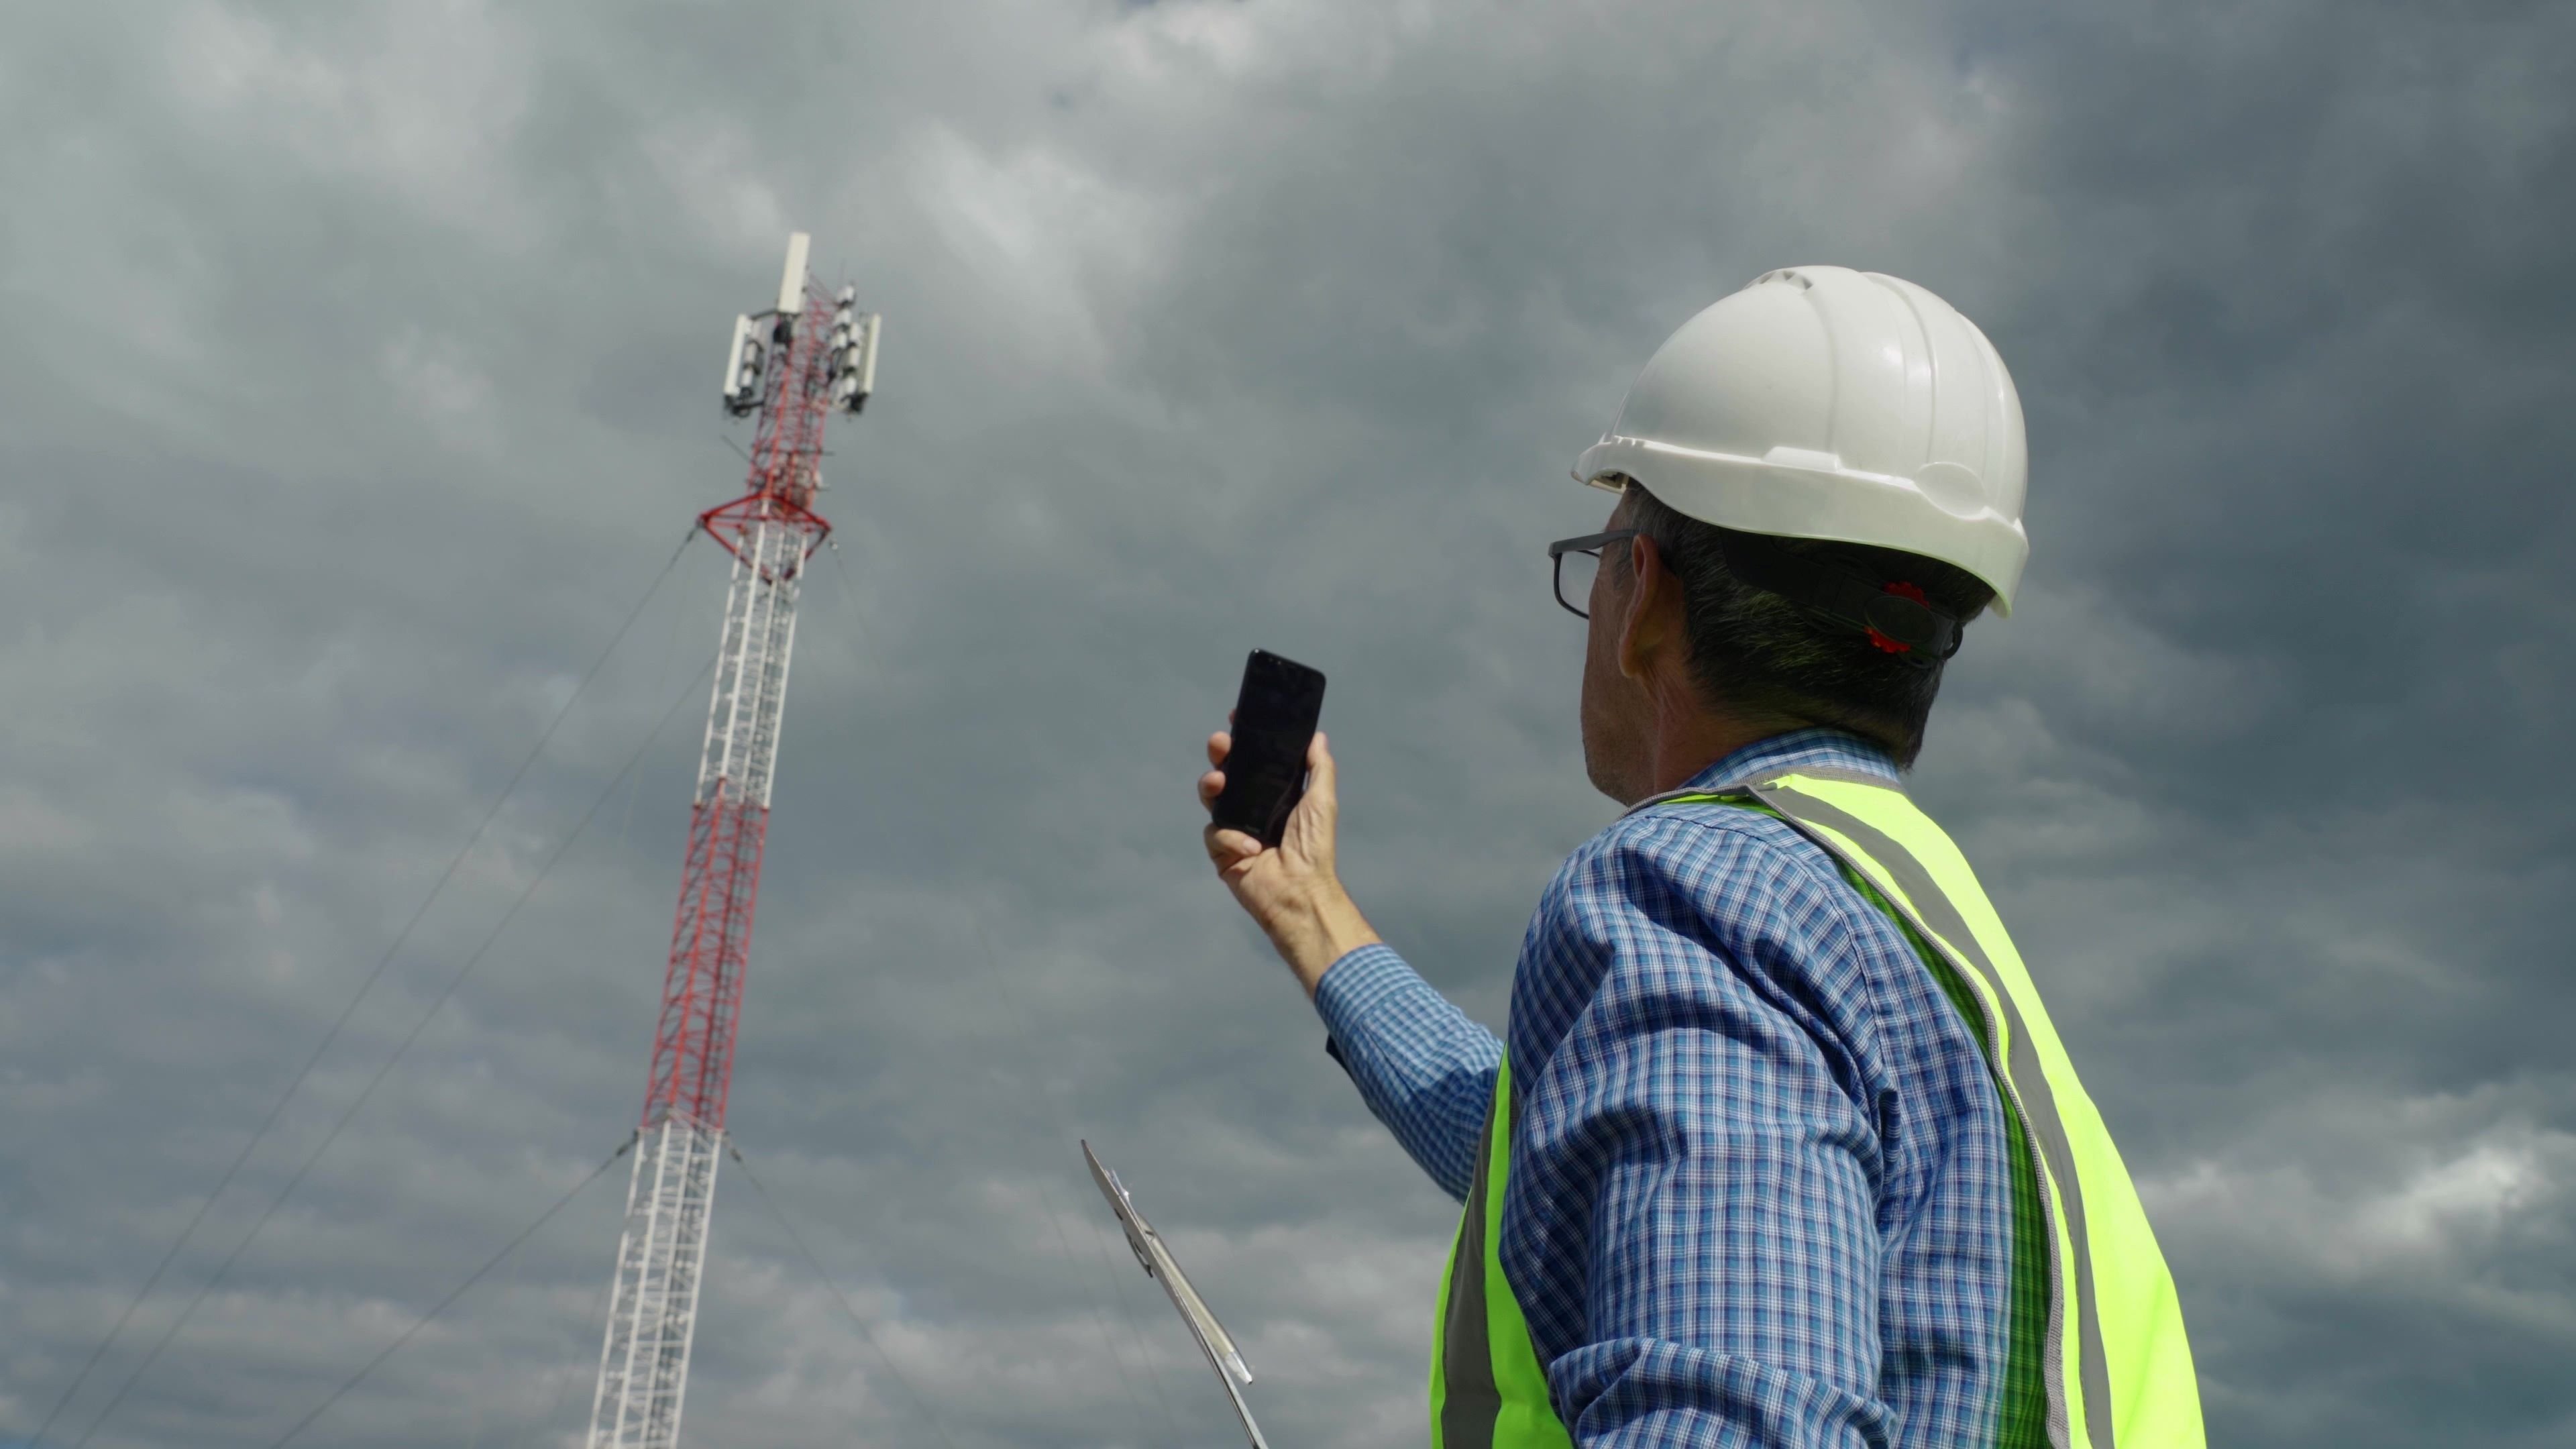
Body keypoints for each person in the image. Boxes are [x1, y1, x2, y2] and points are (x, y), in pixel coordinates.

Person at [1196, 268, 2204, 1449]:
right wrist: (1311, 912)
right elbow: (1574, 1159)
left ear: (1649, 600)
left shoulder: (1697, 891)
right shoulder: (1914, 930)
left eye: (1604, 554)